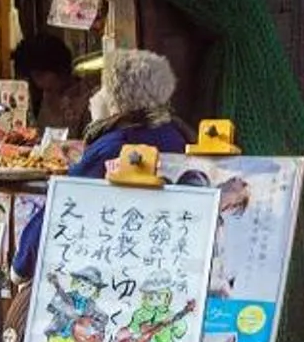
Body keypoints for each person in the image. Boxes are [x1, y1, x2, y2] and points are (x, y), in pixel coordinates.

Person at [13, 47, 190, 277]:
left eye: (106, 87)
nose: (98, 94)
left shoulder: (115, 143)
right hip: (161, 255)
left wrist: (21, 265)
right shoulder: (176, 134)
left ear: (118, 96)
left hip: (115, 262)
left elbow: (65, 203)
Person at [14, 32, 94, 137]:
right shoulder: (45, 96)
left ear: (60, 70)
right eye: (34, 78)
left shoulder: (88, 100)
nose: (38, 83)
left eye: (40, 76)